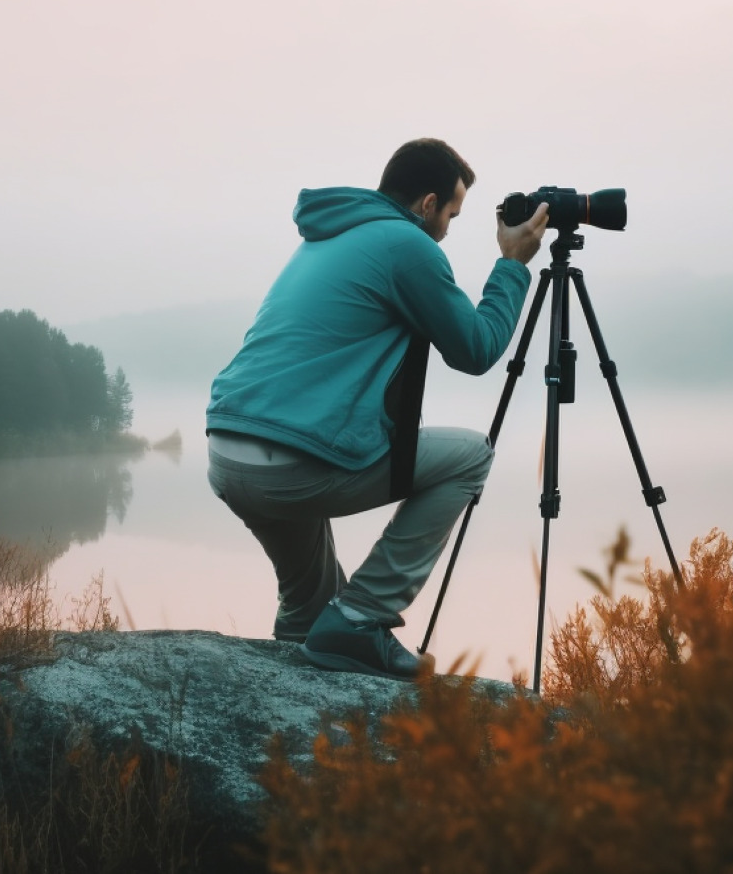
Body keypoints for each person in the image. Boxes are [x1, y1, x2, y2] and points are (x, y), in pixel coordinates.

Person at [206, 138, 551, 679]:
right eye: (450, 216)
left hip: (229, 455)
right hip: (292, 463)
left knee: (309, 613)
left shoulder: (328, 237)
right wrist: (512, 264)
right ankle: (365, 616)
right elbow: (477, 349)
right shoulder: (406, 246)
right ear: (426, 203)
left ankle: (305, 667)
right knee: (469, 456)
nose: (446, 232)